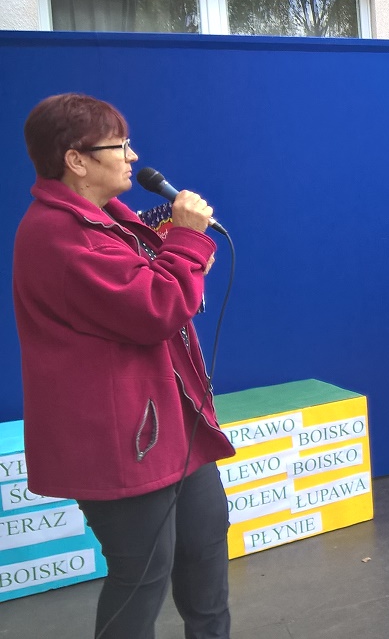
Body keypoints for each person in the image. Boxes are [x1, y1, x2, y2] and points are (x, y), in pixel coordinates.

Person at [13, 93, 236, 638]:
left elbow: (152, 283)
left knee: (205, 554)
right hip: (123, 441)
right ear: (76, 159)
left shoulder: (108, 217)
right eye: (120, 146)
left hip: (173, 424)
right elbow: (156, 307)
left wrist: (177, 247)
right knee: (142, 579)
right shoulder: (59, 235)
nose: (133, 156)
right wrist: (188, 239)